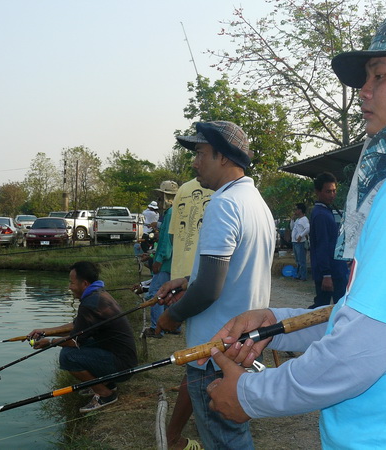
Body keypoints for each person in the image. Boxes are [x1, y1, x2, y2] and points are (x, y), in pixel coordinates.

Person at [204, 4, 386, 447]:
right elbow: (373, 318)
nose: (363, 91)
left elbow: (362, 349)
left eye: (380, 76)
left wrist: (252, 394)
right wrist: (278, 321)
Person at [155, 121, 275, 449]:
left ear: (222, 157)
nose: (194, 162)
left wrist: (172, 317)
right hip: (239, 346)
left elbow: (209, 289)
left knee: (225, 442)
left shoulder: (223, 204)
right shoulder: (255, 202)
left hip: (214, 352)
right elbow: (230, 272)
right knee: (230, 437)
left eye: (200, 153)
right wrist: (186, 281)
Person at [28, 261, 138, 413]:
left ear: (84, 283)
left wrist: (50, 343)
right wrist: (45, 331)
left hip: (122, 365)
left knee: (68, 356)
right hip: (123, 358)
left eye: (72, 283)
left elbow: (74, 341)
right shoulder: (98, 294)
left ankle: (106, 394)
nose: (69, 287)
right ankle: (106, 383)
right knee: (79, 347)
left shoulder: (90, 303)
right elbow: (76, 326)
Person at [162, 177, 213, 450]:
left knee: (201, 360)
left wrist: (180, 279)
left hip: (186, 278)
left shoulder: (184, 190)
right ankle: (173, 436)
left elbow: (174, 239)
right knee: (199, 364)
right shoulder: (223, 192)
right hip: (203, 282)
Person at [144, 180, 179, 338]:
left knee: (155, 293)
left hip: (166, 262)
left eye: (160, 197)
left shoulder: (171, 213)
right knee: (171, 294)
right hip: (173, 261)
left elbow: (166, 240)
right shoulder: (176, 211)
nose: (158, 201)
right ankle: (173, 326)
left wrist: (158, 259)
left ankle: (156, 328)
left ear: (167, 197)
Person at [309, 172, 348, 307]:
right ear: (318, 192)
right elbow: (322, 245)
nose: (332, 194)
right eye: (328, 191)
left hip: (336, 270)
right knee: (323, 308)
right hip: (331, 273)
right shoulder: (320, 215)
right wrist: (326, 275)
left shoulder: (326, 211)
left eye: (334, 191)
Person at [291, 202, 310, 281]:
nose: (295, 211)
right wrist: (292, 219)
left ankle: (303, 276)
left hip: (300, 242)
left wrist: (301, 235)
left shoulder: (304, 219)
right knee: (298, 260)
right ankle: (299, 274)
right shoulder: (298, 220)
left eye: (296, 209)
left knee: (302, 260)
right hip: (295, 242)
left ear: (300, 210)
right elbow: (292, 227)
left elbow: (308, 228)